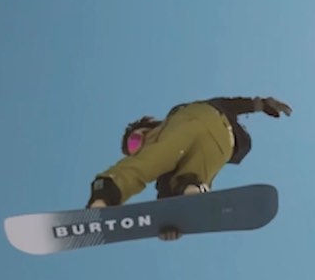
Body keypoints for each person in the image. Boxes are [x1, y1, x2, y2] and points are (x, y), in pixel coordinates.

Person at [87, 96, 292, 238]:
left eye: (134, 142)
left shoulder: (165, 130)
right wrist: (172, 221)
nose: (136, 149)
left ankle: (102, 199)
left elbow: (153, 170)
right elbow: (231, 104)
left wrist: (165, 216)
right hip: (223, 140)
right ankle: (192, 191)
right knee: (191, 176)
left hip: (188, 121)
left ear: (147, 128)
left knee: (143, 165)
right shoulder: (196, 113)